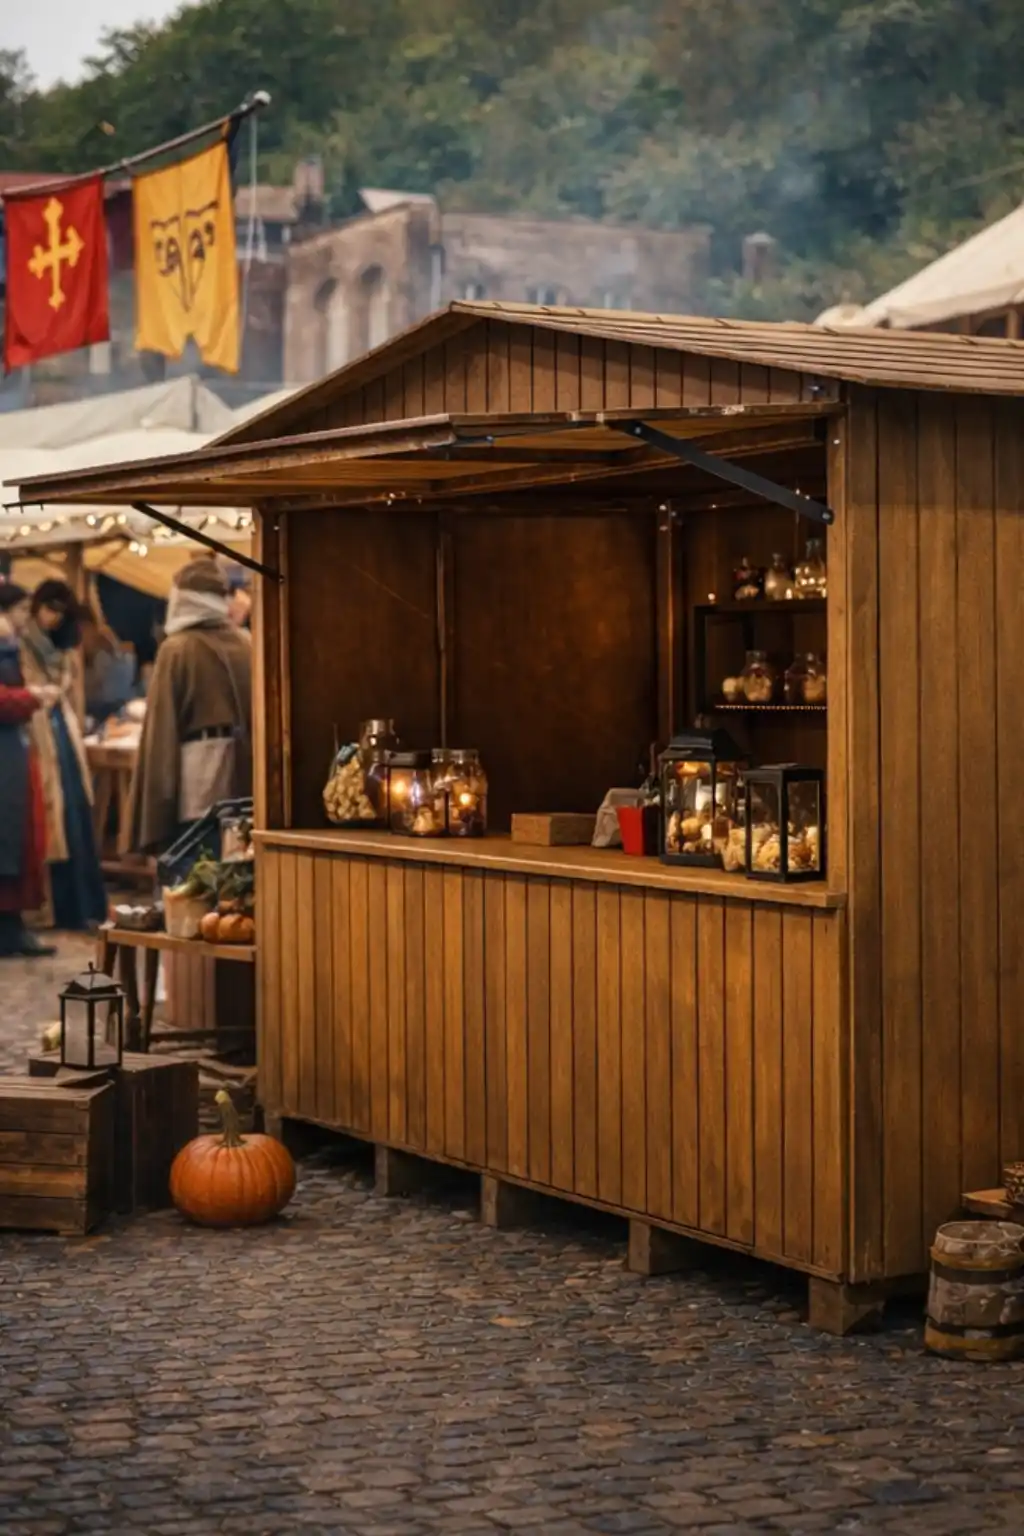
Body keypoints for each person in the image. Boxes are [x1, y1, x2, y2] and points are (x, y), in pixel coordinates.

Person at [129, 557, 252, 853]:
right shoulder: (246, 643)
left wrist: (158, 809)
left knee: (194, 864)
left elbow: (162, 729)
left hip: (196, 781)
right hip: (245, 776)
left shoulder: (177, 649)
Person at [20, 580, 107, 932]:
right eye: (49, 609)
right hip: (37, 729)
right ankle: (50, 908)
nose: (53, 617)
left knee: (74, 817)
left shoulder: (64, 643)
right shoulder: (23, 642)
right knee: (51, 819)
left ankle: (80, 907)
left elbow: (67, 683)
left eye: (59, 611)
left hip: (60, 728)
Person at [0, 583, 54, 957]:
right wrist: (32, 697)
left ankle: (12, 925)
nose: (24, 618)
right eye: (19, 610)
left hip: (12, 752)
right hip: (4, 757)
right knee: (8, 837)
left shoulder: (10, 646)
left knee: (16, 839)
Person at [80, 604, 137, 726]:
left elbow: (120, 692)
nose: (83, 638)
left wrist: (115, 650)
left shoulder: (105, 655)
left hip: (114, 713)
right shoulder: (72, 657)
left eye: (85, 630)